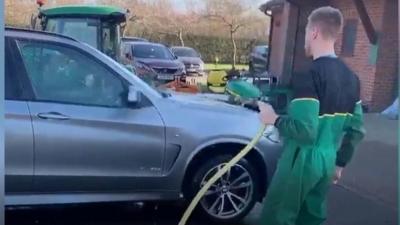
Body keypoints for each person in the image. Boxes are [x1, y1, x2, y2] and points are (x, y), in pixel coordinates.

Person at [258, 6, 365, 225]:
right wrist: (339, 164)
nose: (306, 37)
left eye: (306, 31)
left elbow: (305, 131)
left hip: (300, 160)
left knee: (277, 218)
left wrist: (274, 118)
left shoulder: (309, 74)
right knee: (310, 219)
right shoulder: (352, 79)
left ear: (314, 32)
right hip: (327, 161)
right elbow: (356, 130)